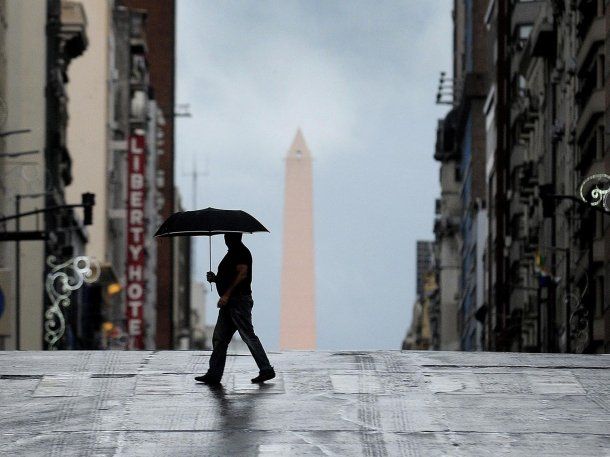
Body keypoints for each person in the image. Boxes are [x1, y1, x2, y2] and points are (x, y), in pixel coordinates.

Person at [195, 233, 275, 385]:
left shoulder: (241, 252)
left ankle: (266, 369)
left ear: (234, 238)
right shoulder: (233, 253)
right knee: (220, 338)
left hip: (238, 302)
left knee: (247, 336)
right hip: (230, 304)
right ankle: (214, 374)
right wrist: (216, 278)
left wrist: (226, 295)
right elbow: (230, 275)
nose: (226, 239)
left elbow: (242, 275)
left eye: (228, 236)